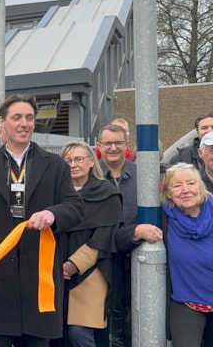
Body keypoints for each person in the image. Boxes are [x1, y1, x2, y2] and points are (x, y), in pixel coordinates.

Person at [0, 94, 85, 347]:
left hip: (39, 280)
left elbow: (75, 207)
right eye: (16, 117)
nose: (24, 123)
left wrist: (53, 214)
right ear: (3, 124)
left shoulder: (55, 165)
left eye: (29, 118)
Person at [97, 124, 163, 347]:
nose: (113, 148)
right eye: (108, 143)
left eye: (118, 143)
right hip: (102, 258)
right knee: (108, 314)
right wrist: (132, 232)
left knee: (134, 312)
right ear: (99, 146)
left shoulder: (142, 175)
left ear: (126, 145)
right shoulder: (91, 175)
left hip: (136, 255)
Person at [55, 141, 122, 347]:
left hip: (92, 271)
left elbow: (105, 235)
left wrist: (73, 265)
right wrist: (58, 266)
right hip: (54, 271)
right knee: (57, 334)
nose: (73, 164)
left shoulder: (107, 193)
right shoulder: (56, 193)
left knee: (79, 333)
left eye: (79, 159)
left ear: (91, 162)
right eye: (68, 160)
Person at [161, 162, 213, 346]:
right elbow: (121, 236)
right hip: (186, 303)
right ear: (168, 193)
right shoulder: (163, 216)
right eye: (177, 185)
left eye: (191, 183)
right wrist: (138, 231)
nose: (185, 190)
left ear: (200, 186)